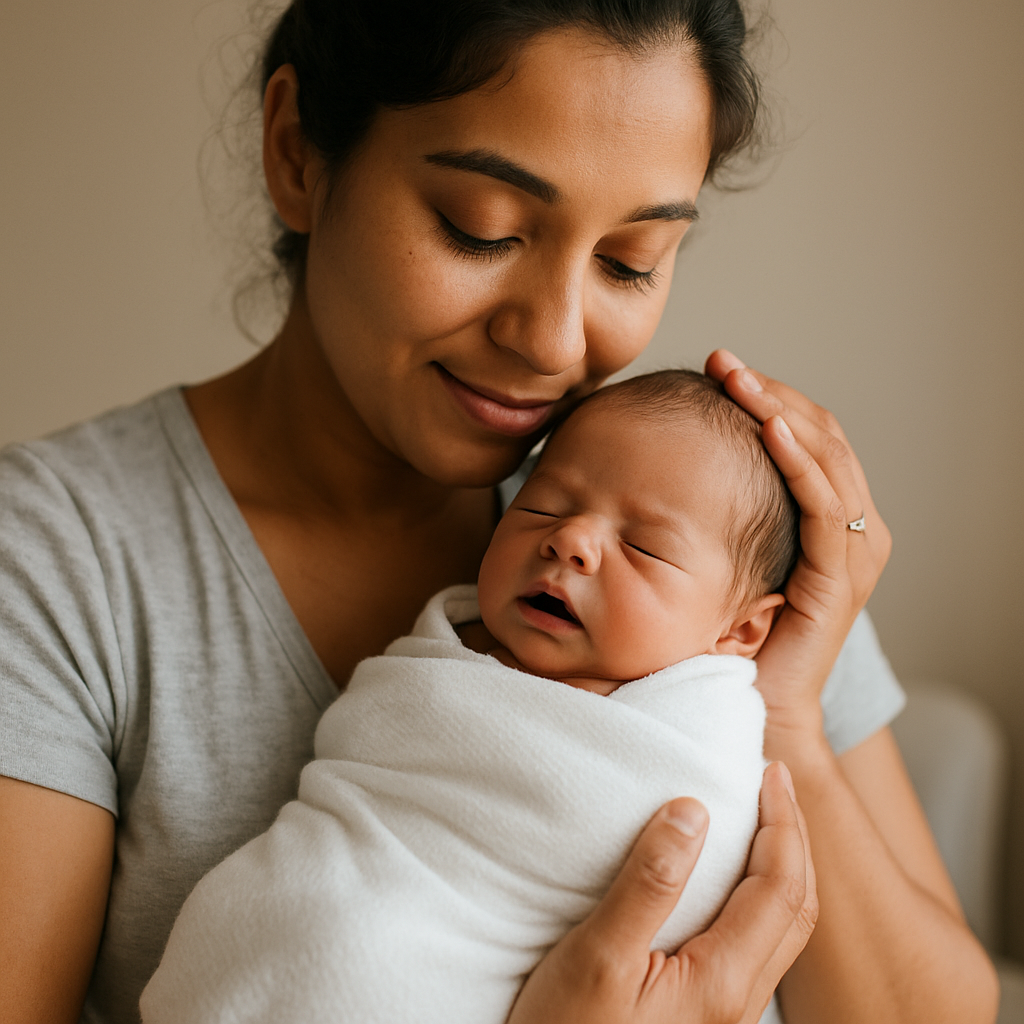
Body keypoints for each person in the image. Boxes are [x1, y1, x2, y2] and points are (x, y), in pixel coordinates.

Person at [0, 2, 997, 1024]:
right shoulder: (56, 561)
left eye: (629, 260)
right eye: (482, 228)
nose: (555, 341)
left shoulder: (704, 519)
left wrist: (785, 714)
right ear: (298, 152)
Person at [140, 370, 799, 1024]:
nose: (570, 540)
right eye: (544, 505)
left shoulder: (698, 738)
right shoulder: (445, 654)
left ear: (740, 630)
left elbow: (702, 878)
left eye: (643, 546)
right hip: (267, 935)